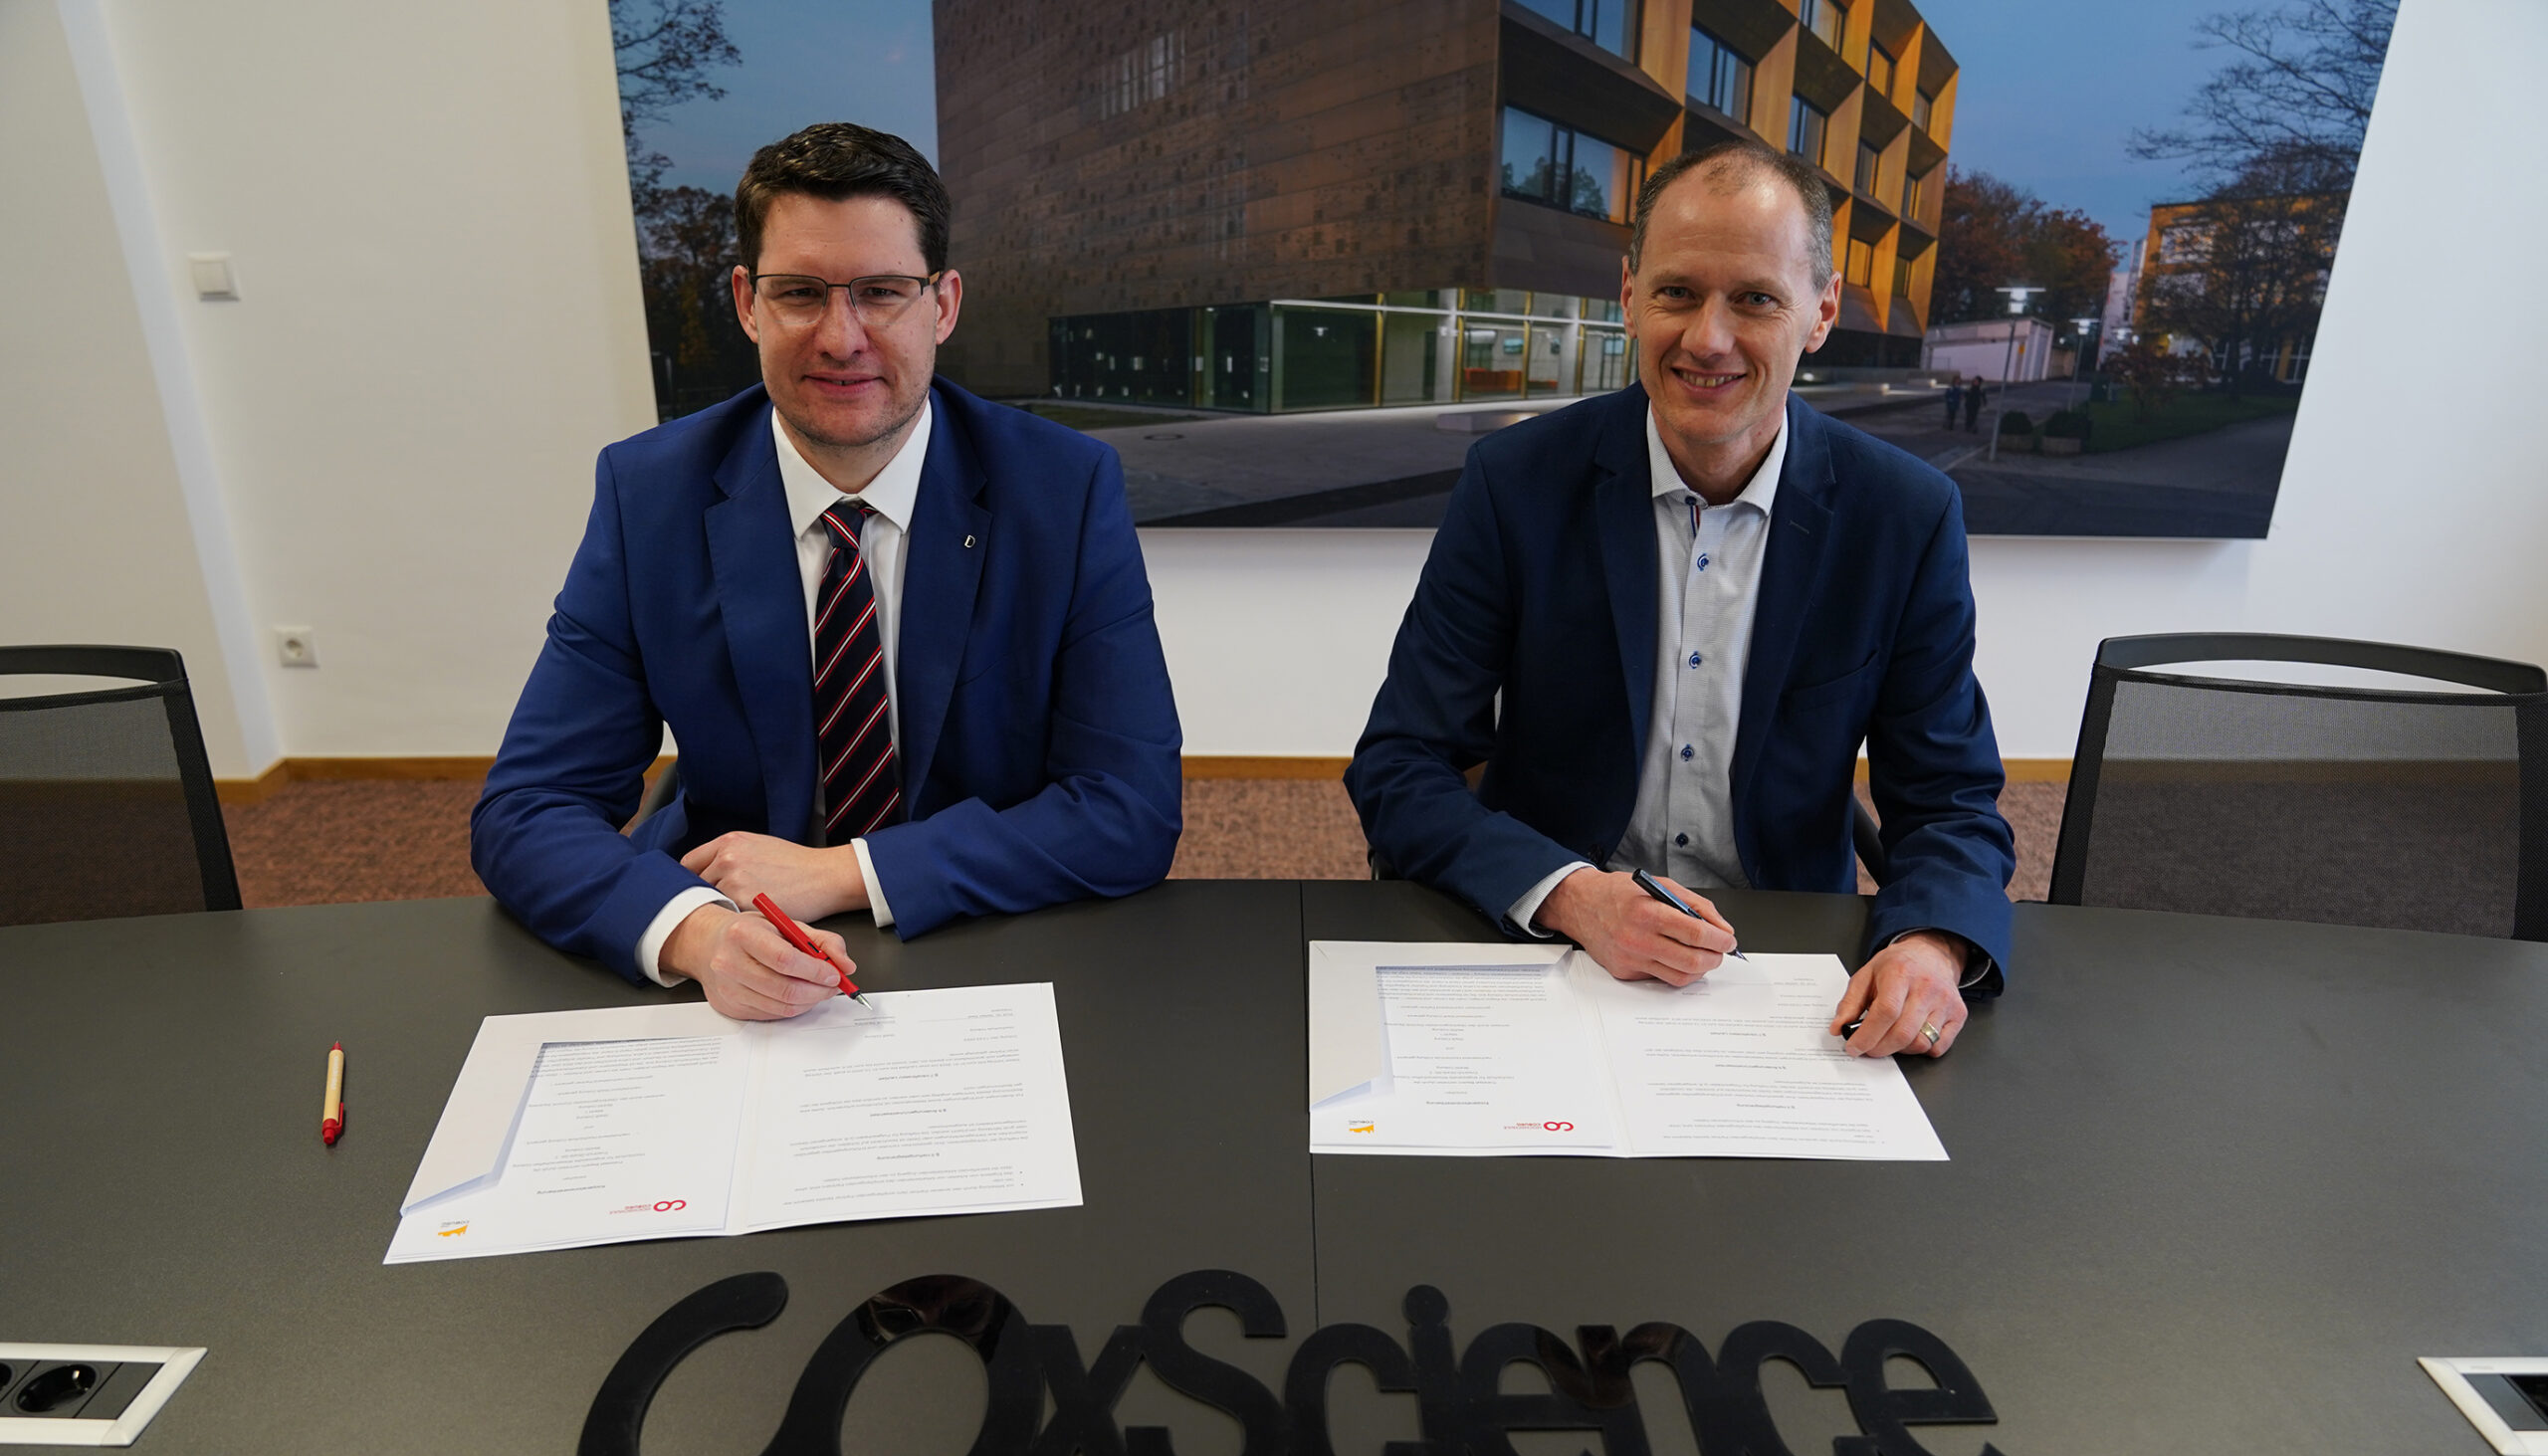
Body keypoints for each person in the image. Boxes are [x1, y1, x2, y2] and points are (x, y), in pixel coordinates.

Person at [473, 123, 1182, 1019]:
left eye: (882, 292)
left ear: (944, 304)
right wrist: (696, 933)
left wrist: (845, 871)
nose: (841, 337)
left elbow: (1130, 809)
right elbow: (528, 808)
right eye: (800, 293)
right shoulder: (649, 493)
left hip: (984, 935)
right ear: (746, 303)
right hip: (740, 942)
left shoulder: (1064, 489)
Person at [1345, 139, 2014, 1060]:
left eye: (1755, 299)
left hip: (1789, 975)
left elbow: (1948, 798)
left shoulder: (1903, 516)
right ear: (1628, 297)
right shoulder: (1516, 483)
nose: (1708, 337)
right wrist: (1573, 894)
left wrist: (1932, 944)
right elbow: (1400, 763)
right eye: (1677, 293)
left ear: (1819, 315)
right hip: (1551, 941)